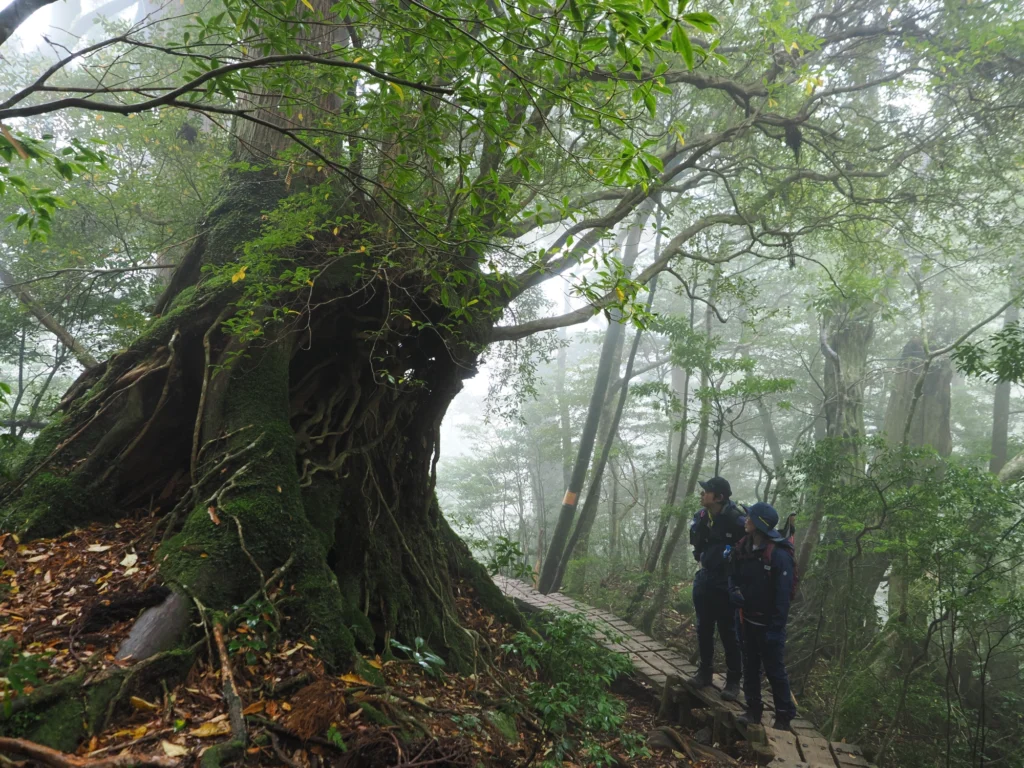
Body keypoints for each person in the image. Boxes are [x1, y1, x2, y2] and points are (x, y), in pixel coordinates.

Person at [728, 501, 798, 731]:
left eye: (750, 517)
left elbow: (783, 596)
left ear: (759, 524)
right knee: (750, 666)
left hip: (769, 625)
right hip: (746, 620)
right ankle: (753, 710)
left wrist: (776, 628)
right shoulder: (743, 547)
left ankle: (784, 718)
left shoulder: (778, 555)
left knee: (774, 670)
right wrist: (733, 591)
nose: (746, 520)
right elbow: (733, 577)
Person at [688, 476, 745, 700]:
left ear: (719, 497)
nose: (702, 494)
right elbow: (697, 546)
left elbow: (748, 551)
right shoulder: (701, 517)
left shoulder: (737, 520)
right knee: (703, 628)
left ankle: (733, 681)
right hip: (705, 578)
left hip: (727, 583)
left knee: (728, 632)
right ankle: (704, 672)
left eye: (707, 491)